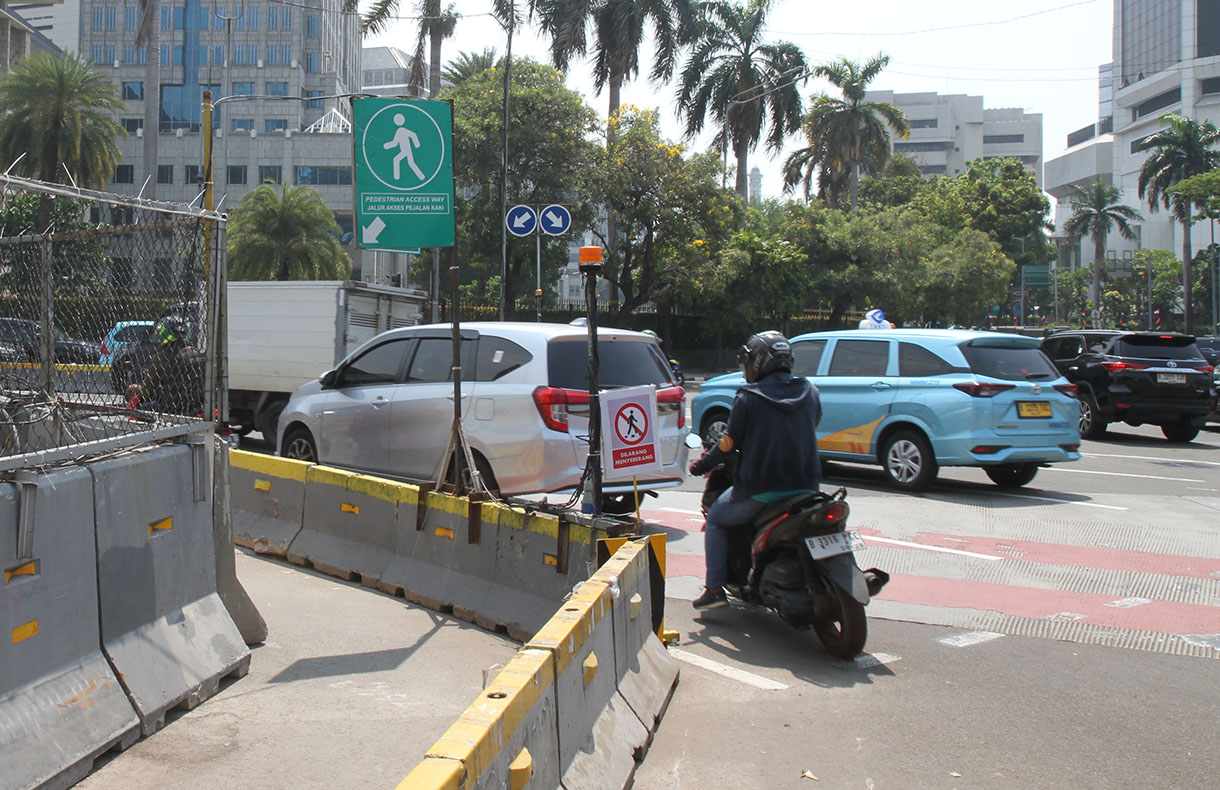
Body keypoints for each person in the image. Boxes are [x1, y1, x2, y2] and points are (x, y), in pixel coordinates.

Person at [688, 330, 822, 610]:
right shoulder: (810, 391)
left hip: (761, 490)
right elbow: (814, 423)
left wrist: (701, 464)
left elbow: (727, 444)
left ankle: (714, 589)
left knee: (716, 519)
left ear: (759, 362)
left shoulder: (749, 397)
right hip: (808, 488)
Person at [138, 317, 203, 416]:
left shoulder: (162, 357)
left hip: (172, 407)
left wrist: (136, 389)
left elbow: (147, 389)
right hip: (196, 405)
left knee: (142, 408)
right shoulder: (194, 353)